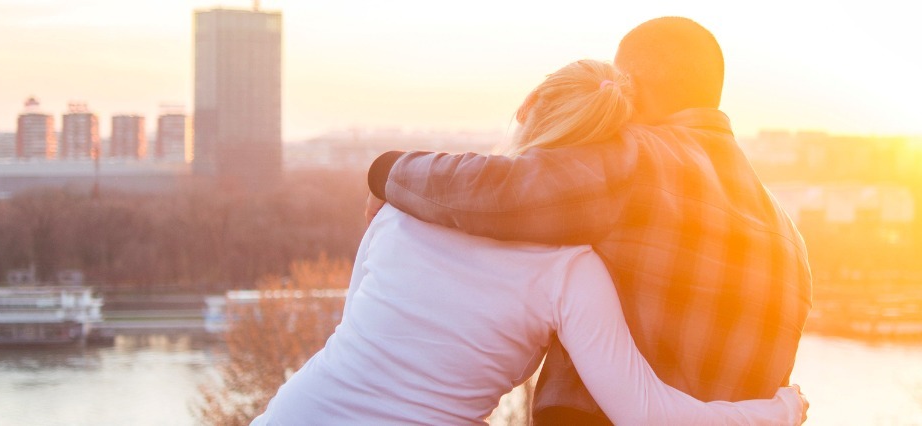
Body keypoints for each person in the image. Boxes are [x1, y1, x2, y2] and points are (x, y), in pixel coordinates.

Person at [253, 60, 807, 425]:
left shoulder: (403, 204)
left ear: (526, 105)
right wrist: (778, 411)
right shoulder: (571, 270)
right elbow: (648, 414)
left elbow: (354, 333)